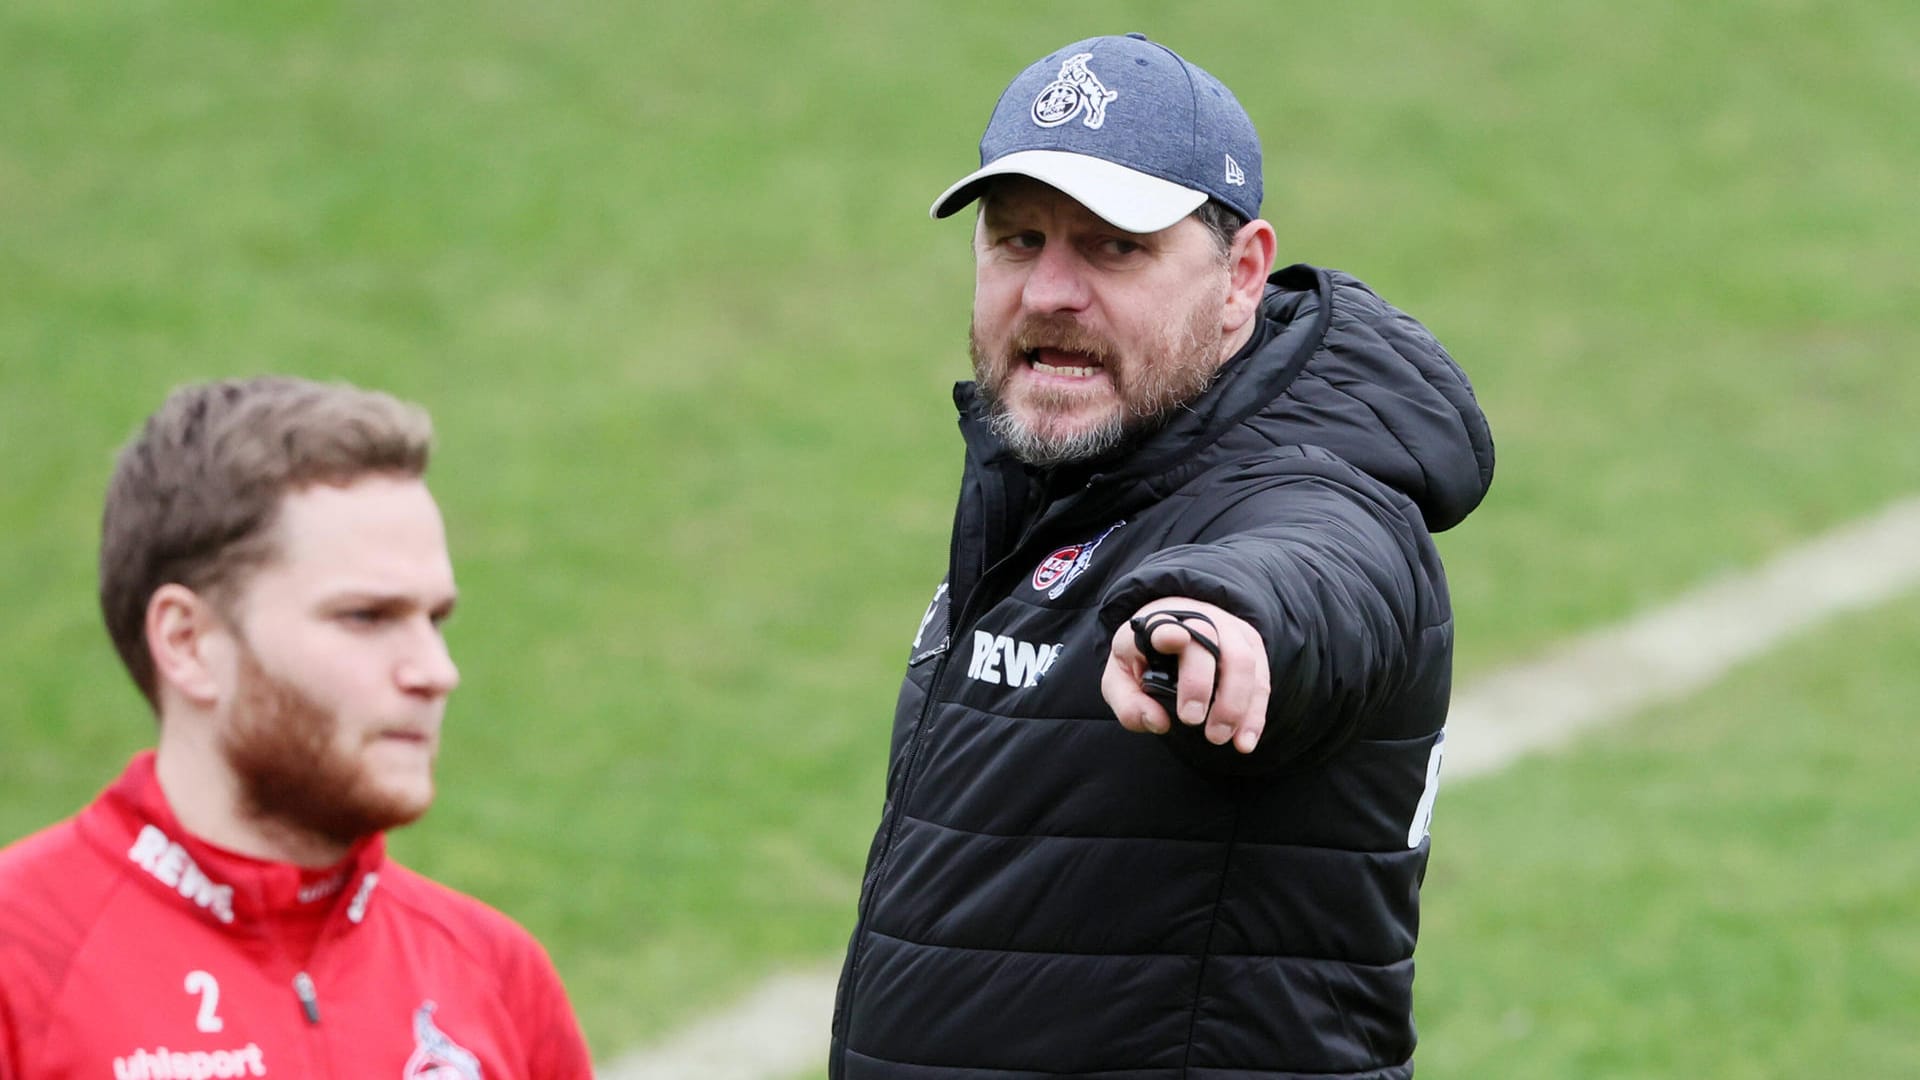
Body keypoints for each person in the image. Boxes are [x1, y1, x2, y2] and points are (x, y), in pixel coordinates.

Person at [829, 32, 1495, 1080]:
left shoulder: (1316, 490)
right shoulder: (1054, 491)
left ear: (1242, 275)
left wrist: (1230, 616)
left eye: (1111, 248)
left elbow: (1324, 568)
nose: (1049, 291)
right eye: (1016, 241)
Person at [0, 377, 594, 1079]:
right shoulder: (21, 964)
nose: (436, 671)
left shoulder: (492, 974)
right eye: (366, 618)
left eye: (434, 620)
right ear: (188, 643)